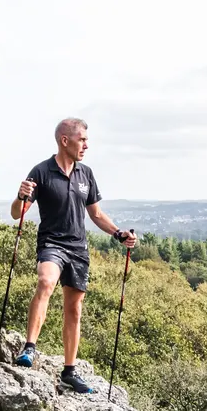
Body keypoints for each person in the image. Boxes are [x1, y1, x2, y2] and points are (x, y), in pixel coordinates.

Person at [12, 118, 137, 393]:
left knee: (74, 309)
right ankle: (29, 348)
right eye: (82, 140)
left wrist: (119, 234)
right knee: (46, 281)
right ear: (64, 140)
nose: (86, 145)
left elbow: (96, 214)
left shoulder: (86, 174)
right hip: (52, 243)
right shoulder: (41, 171)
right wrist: (19, 197)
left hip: (78, 249)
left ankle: (70, 371)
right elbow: (16, 214)